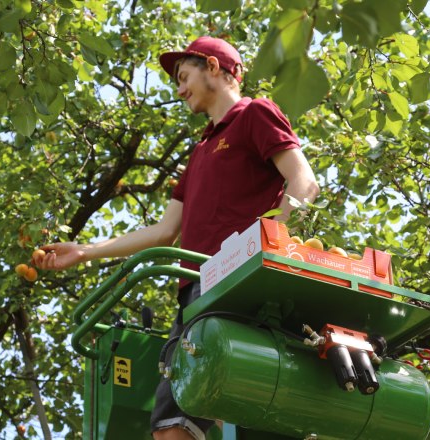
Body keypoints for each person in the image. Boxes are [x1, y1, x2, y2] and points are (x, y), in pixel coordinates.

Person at [33, 36, 320, 440]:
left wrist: (273, 244)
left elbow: (304, 181)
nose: (180, 88)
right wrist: (84, 251)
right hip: (196, 292)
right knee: (171, 430)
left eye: (184, 76)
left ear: (214, 69)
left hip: (239, 280)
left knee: (238, 409)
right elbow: (165, 231)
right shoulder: (200, 151)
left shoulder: (254, 114)